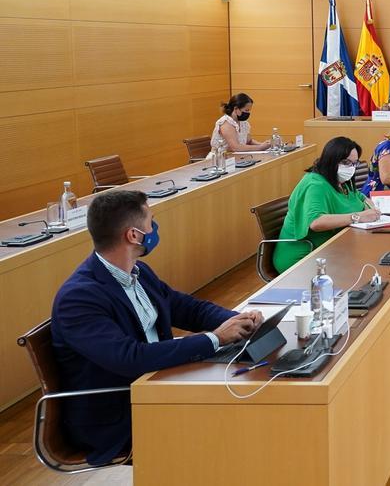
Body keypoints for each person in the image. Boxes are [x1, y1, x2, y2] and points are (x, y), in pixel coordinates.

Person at [51, 190, 263, 465]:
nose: (155, 228)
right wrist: (215, 338)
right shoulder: (78, 298)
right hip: (117, 413)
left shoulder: (139, 272)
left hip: (158, 384)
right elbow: (131, 359)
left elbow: (186, 308)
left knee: (245, 398)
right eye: (151, 221)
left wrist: (239, 319)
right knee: (232, 416)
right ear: (134, 236)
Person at [273, 136, 380, 273]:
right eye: (346, 162)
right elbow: (316, 222)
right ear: (331, 160)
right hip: (305, 257)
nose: (351, 168)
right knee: (367, 266)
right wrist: (358, 216)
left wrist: (372, 207)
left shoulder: (341, 181)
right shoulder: (315, 184)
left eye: (354, 163)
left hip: (335, 248)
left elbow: (359, 197)